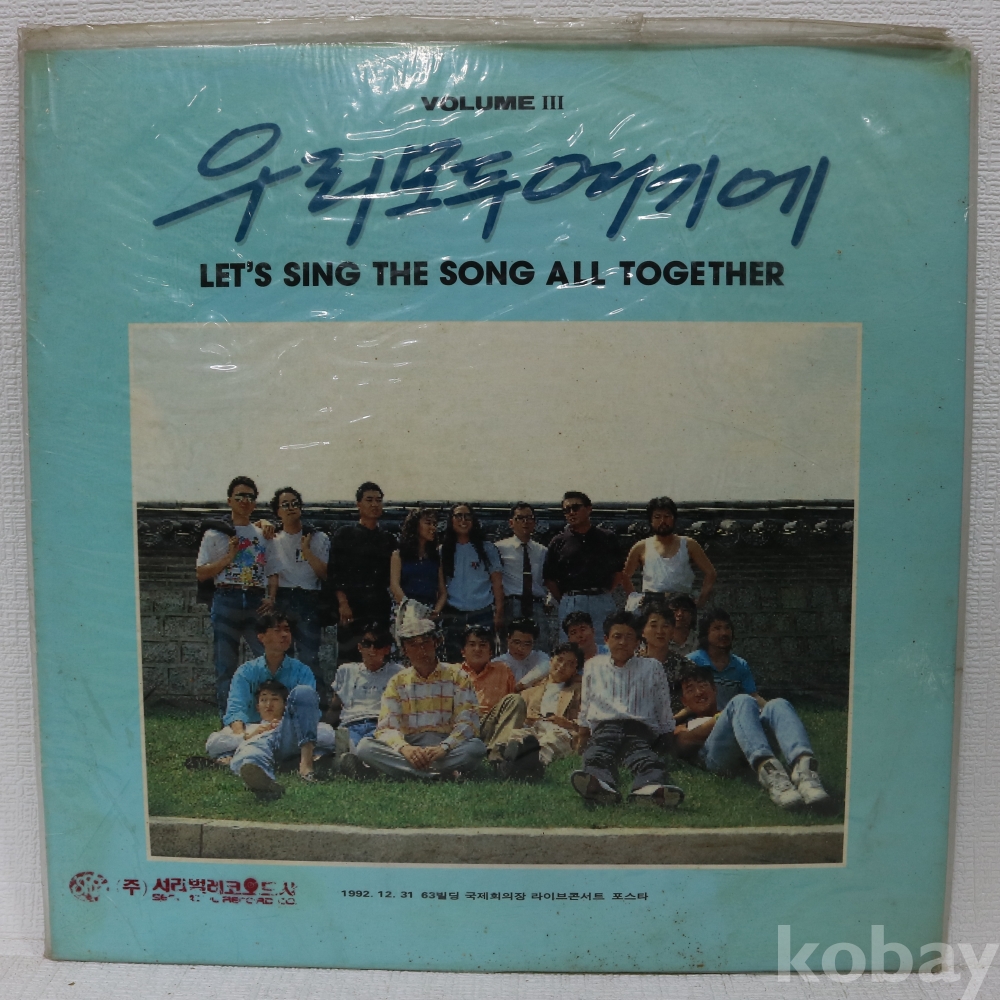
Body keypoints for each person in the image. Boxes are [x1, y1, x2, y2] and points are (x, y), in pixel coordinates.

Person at [352, 600, 487, 780]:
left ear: (436, 642)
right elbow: (387, 727)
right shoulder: (397, 682)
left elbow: (467, 723)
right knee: (365, 747)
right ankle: (439, 773)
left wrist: (444, 747)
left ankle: (414, 772)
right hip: (411, 745)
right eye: (413, 644)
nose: (421, 650)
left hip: (444, 746)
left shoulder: (458, 676)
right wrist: (405, 749)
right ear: (404, 650)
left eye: (425, 642)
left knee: (476, 748)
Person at [673, 662, 830, 809]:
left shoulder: (739, 709)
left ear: (714, 689)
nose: (699, 692)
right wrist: (723, 716)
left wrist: (737, 712)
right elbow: (683, 742)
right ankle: (772, 776)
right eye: (690, 689)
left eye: (702, 685)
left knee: (778, 704)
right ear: (684, 701)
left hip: (750, 740)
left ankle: (806, 772)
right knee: (741, 700)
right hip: (718, 758)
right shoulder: (684, 725)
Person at [570, 610, 684, 808]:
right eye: (617, 636)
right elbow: (586, 704)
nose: (622, 642)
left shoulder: (652, 667)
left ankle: (649, 789)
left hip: (639, 730)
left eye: (629, 637)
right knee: (596, 755)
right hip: (605, 728)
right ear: (606, 639)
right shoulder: (593, 665)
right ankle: (601, 786)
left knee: (646, 759)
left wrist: (668, 742)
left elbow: (663, 706)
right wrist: (582, 738)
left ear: (638, 641)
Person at [196, 476, 278, 717]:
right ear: (230, 500)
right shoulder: (214, 534)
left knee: (267, 660)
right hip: (226, 598)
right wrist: (229, 557)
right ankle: (230, 721)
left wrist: (271, 597)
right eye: (240, 496)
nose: (245, 500)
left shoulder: (263, 534)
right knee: (225, 666)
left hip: (255, 600)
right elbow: (201, 573)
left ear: (255, 503)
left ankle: (266, 718)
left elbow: (273, 571)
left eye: (250, 497)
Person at [267, 486, 330, 686]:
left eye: (295, 503)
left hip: (309, 599)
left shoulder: (318, 537)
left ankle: (314, 701)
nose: (291, 508)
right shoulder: (272, 539)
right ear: (277, 511)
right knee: (282, 656)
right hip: (282, 599)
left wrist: (307, 551)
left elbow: (325, 574)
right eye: (285, 504)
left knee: (309, 657)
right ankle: (284, 701)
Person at [328, 482, 397, 664]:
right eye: (369, 500)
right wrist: (343, 603)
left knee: (379, 657)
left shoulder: (389, 539)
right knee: (349, 658)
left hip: (379, 607)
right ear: (359, 504)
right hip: (352, 607)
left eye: (378, 500)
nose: (375, 504)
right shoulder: (344, 534)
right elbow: (334, 572)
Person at [543, 491, 622, 641]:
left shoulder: (608, 538)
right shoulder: (558, 542)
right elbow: (549, 578)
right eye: (567, 510)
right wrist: (565, 600)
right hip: (572, 600)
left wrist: (605, 593)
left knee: (604, 645)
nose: (571, 513)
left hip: (601, 599)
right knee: (572, 647)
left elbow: (618, 571)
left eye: (575, 507)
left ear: (589, 508)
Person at [503, 643, 586, 775]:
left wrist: (567, 723)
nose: (562, 666)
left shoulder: (580, 691)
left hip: (560, 730)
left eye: (570, 664)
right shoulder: (529, 692)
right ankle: (514, 761)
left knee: (551, 740)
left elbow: (588, 721)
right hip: (534, 728)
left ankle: (533, 763)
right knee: (516, 735)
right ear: (551, 660)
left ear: (575, 671)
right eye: (559, 660)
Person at [622, 497, 716, 611]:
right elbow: (625, 576)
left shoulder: (688, 544)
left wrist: (701, 601)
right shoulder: (641, 547)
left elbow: (710, 573)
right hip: (652, 605)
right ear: (651, 520)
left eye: (667, 516)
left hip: (681, 604)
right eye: (657, 517)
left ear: (674, 518)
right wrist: (634, 598)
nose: (663, 521)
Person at [438, 503, 504, 663]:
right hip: (454, 613)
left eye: (467, 516)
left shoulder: (487, 548)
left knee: (484, 661)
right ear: (451, 520)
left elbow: (497, 582)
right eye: (458, 516)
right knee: (455, 662)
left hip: (482, 612)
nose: (463, 520)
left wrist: (499, 612)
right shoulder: (442, 550)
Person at [458, 624, 529, 766]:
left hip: (490, 725)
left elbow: (511, 708)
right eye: (472, 644)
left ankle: (496, 751)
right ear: (463, 651)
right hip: (462, 727)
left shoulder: (503, 670)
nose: (477, 649)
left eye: (483, 645)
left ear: (490, 652)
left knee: (515, 700)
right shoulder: (452, 673)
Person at [329, 623, 403, 752]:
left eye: (378, 645)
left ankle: (350, 754)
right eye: (367, 644)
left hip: (380, 726)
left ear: (387, 649)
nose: (372, 650)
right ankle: (349, 752)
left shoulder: (398, 673)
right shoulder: (346, 670)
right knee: (323, 734)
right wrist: (327, 725)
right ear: (359, 647)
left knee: (366, 746)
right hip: (350, 725)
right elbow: (335, 707)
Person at [495, 502, 557, 651]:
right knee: (510, 650)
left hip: (536, 605)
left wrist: (550, 600)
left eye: (529, 518)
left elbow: (549, 578)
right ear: (511, 523)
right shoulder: (499, 548)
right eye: (520, 518)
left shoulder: (542, 551)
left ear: (535, 522)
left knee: (541, 649)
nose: (525, 522)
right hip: (511, 605)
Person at [683, 609, 766, 713]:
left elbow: (753, 696)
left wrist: (770, 708)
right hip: (703, 719)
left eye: (727, 628)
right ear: (706, 634)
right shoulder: (691, 662)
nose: (724, 633)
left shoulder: (740, 664)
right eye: (717, 628)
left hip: (733, 719)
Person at [389, 507, 446, 612]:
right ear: (415, 525)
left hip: (429, 612)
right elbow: (394, 586)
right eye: (428, 523)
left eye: (434, 524)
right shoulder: (398, 555)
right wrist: (411, 609)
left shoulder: (435, 557)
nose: (433, 528)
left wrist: (435, 611)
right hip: (405, 611)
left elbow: (442, 592)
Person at [635, 603, 688, 711]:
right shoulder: (631, 665)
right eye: (654, 626)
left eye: (665, 626)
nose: (660, 631)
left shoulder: (684, 666)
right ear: (642, 631)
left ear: (672, 632)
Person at [493, 617, 551, 690]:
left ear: (534, 643)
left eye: (527, 644)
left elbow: (548, 665)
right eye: (516, 642)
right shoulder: (497, 663)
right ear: (508, 639)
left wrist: (522, 684)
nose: (520, 648)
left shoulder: (540, 657)